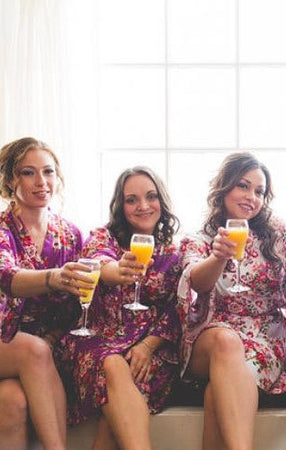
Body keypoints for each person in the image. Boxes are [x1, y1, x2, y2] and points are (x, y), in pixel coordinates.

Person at [177, 152, 286, 450]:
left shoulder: (277, 233)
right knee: (226, 341)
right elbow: (196, 282)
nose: (251, 197)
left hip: (264, 339)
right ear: (225, 186)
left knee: (215, 395)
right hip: (210, 336)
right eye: (243, 186)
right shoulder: (202, 236)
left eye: (259, 191)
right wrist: (218, 257)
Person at [59, 167, 181, 449]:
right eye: (131, 199)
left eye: (151, 196)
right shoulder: (103, 238)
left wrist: (147, 347)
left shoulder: (176, 251)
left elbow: (178, 310)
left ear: (161, 200)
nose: (143, 206)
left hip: (149, 351)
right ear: (120, 205)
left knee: (111, 421)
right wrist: (119, 269)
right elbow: (101, 263)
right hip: (95, 342)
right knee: (113, 364)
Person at [0, 137, 86, 450]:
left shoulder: (70, 234)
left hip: (46, 349)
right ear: (10, 180)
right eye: (28, 172)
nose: (41, 181)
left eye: (48, 171)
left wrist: (52, 337)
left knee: (11, 401)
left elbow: (79, 304)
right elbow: (7, 277)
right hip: (6, 339)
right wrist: (54, 278)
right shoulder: (2, 229)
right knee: (34, 351)